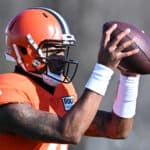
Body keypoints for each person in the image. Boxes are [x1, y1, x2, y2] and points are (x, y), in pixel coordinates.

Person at [0, 7, 140, 150]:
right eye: (53, 50)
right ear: (24, 51)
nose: (61, 57)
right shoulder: (9, 88)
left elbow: (116, 129)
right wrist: (103, 70)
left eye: (63, 49)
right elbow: (69, 132)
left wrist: (129, 77)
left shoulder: (62, 89)